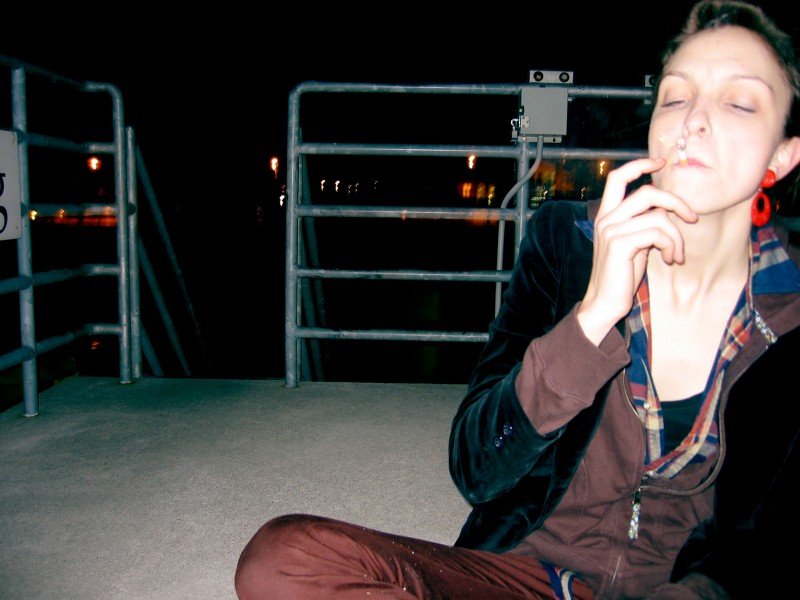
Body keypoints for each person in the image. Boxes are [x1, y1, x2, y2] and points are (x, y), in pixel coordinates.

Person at [234, 1, 800, 597]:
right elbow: (477, 467)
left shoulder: (790, 317)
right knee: (282, 559)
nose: (696, 121)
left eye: (739, 103)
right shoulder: (567, 243)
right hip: (527, 575)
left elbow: (767, 545)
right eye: (676, 97)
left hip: (682, 590)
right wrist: (591, 318)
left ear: (783, 154)